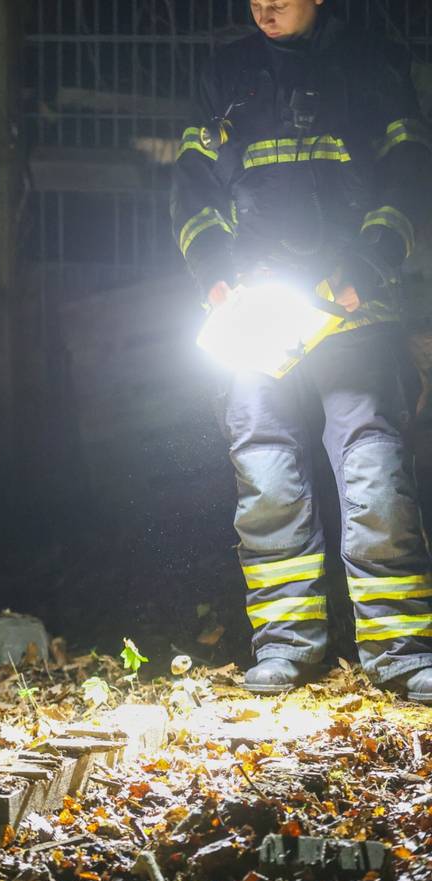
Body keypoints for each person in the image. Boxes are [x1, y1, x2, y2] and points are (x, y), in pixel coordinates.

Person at [171, 0, 432, 700]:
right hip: (256, 314)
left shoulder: (369, 64)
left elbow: (409, 171)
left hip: (353, 311)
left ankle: (402, 651)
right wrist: (215, 273)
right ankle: (286, 645)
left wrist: (366, 266)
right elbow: (193, 187)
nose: (264, 7)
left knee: (374, 471)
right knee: (265, 472)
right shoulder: (226, 72)